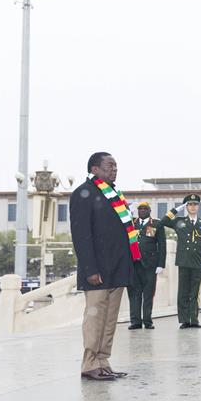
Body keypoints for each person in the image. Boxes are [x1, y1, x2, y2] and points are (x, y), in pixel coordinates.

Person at [70, 152, 139, 381]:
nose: (114, 169)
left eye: (116, 166)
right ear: (95, 169)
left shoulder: (114, 195)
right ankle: (89, 363)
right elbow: (81, 235)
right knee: (95, 316)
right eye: (109, 165)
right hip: (97, 270)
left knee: (110, 318)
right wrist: (90, 269)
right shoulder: (83, 193)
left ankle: (103, 361)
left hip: (117, 268)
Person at [160, 194, 201, 328]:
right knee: (183, 291)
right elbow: (163, 221)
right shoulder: (179, 221)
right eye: (190, 204)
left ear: (198, 207)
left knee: (194, 292)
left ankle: (194, 320)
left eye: (195, 204)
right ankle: (184, 320)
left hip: (198, 262)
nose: (193, 207)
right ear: (186, 207)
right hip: (183, 261)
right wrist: (176, 210)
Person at [127, 202, 166, 330]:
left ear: (150, 210)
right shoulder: (131, 224)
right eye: (140, 209)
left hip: (150, 265)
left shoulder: (156, 224)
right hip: (133, 264)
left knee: (148, 294)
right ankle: (135, 321)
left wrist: (161, 264)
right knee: (134, 294)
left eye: (145, 209)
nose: (142, 211)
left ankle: (147, 321)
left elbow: (162, 245)